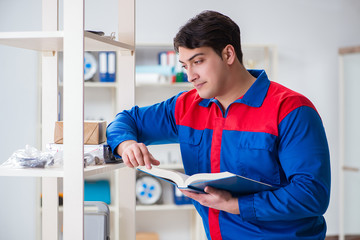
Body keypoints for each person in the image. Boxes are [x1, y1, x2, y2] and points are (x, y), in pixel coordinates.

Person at [107, 10, 331, 240]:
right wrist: (126, 144)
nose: (190, 76)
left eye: (198, 61)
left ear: (228, 54)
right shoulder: (186, 106)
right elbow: (125, 120)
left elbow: (312, 195)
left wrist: (236, 205)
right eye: (185, 66)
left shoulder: (291, 110)